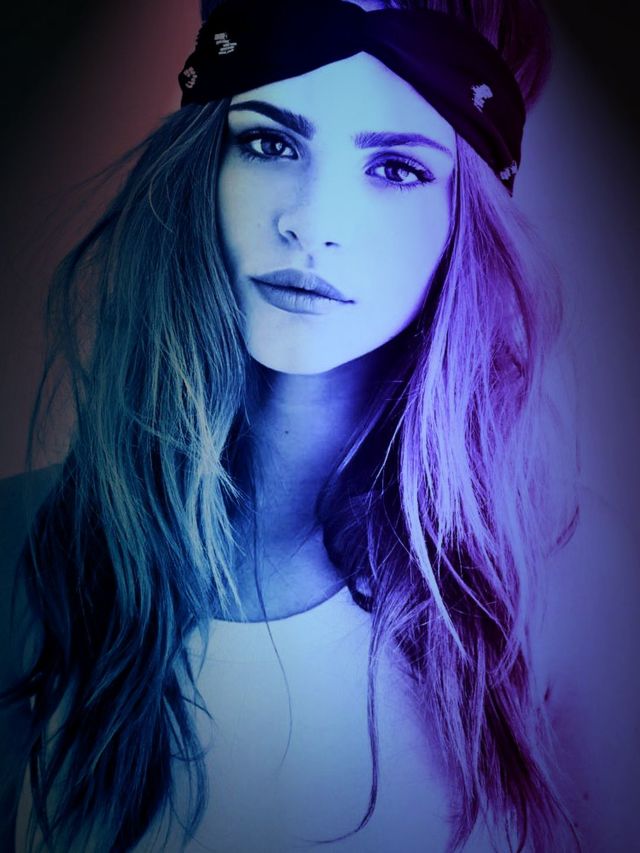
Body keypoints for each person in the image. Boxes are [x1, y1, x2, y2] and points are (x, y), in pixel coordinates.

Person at [1, 0, 638, 850]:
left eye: (398, 168)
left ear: (464, 214)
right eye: (271, 143)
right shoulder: (33, 544)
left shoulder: (568, 582)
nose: (312, 223)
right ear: (204, 165)